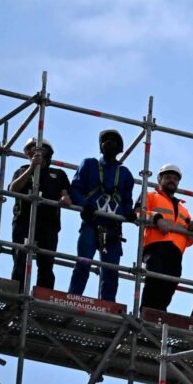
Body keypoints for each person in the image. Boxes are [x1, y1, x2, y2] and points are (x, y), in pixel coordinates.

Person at [68, 129, 136, 302]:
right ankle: (73, 298)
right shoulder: (89, 165)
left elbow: (127, 200)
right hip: (91, 224)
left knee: (110, 270)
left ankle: (107, 305)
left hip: (112, 230)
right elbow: (75, 188)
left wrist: (129, 213)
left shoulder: (125, 174)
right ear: (100, 146)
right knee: (83, 262)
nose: (109, 143)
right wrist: (84, 205)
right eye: (106, 140)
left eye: (113, 140)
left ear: (120, 148)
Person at [10, 137, 70, 289]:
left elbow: (66, 194)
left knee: (46, 264)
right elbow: (13, 189)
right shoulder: (22, 170)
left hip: (48, 223)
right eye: (31, 150)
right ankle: (16, 296)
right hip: (23, 221)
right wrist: (31, 168)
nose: (34, 152)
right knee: (20, 260)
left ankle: (42, 299)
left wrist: (65, 198)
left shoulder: (58, 174)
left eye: (39, 149)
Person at [140, 163, 193, 312]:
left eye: (175, 179)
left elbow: (188, 240)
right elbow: (138, 212)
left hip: (176, 251)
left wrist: (192, 230)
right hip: (155, 246)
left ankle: (159, 315)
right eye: (168, 177)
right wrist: (156, 219)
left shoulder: (183, 208)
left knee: (170, 285)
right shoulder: (150, 196)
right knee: (154, 281)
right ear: (160, 180)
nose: (172, 180)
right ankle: (147, 314)